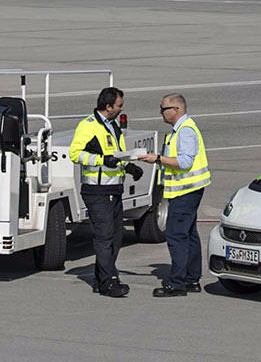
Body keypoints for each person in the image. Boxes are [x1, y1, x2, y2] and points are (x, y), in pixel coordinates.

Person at [69, 86, 142, 297]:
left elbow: (115, 154)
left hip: (114, 188)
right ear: (108, 106)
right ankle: (109, 281)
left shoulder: (112, 125)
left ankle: (101, 278)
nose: (122, 109)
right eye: (119, 105)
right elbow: (75, 154)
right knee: (104, 236)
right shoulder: (88, 126)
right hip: (97, 190)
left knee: (116, 236)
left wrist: (128, 166)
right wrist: (102, 160)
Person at [139, 93, 211, 297]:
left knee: (176, 235)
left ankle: (177, 283)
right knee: (189, 234)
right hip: (187, 190)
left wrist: (158, 159)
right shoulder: (179, 130)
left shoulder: (185, 131)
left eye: (164, 109)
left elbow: (185, 162)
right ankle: (191, 279)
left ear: (176, 110)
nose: (161, 112)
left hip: (185, 191)